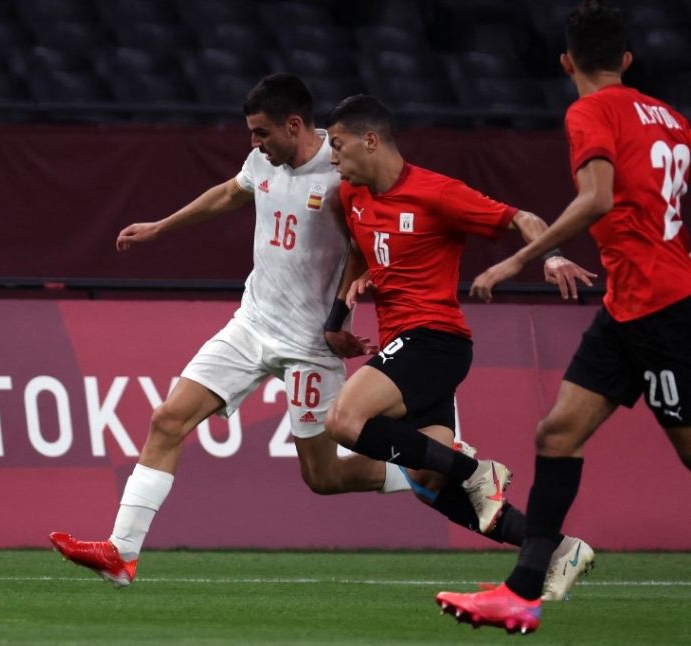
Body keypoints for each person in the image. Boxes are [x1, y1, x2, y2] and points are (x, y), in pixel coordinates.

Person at [48, 74, 587, 597]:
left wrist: (335, 320)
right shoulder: (274, 163)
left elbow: (371, 235)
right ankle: (122, 553)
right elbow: (237, 197)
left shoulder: (346, 171)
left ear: (295, 124)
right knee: (167, 418)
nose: (254, 144)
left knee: (326, 475)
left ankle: (456, 476)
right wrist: (162, 227)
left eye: (262, 133)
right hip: (252, 323)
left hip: (313, 346)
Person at [435, 1, 691, 634]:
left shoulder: (590, 110)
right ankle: (523, 592)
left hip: (659, 308)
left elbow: (597, 196)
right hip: (629, 304)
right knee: (556, 434)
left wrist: (519, 259)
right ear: (627, 60)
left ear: (565, 61)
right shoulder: (673, 119)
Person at [322, 92, 597, 584]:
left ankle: (476, 473)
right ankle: (556, 550)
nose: (332, 156)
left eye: (338, 145)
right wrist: (340, 317)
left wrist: (550, 257)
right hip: (406, 346)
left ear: (370, 140)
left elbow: (522, 219)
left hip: (435, 339)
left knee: (344, 421)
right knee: (429, 481)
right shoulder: (351, 195)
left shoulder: (438, 193)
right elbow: (363, 256)